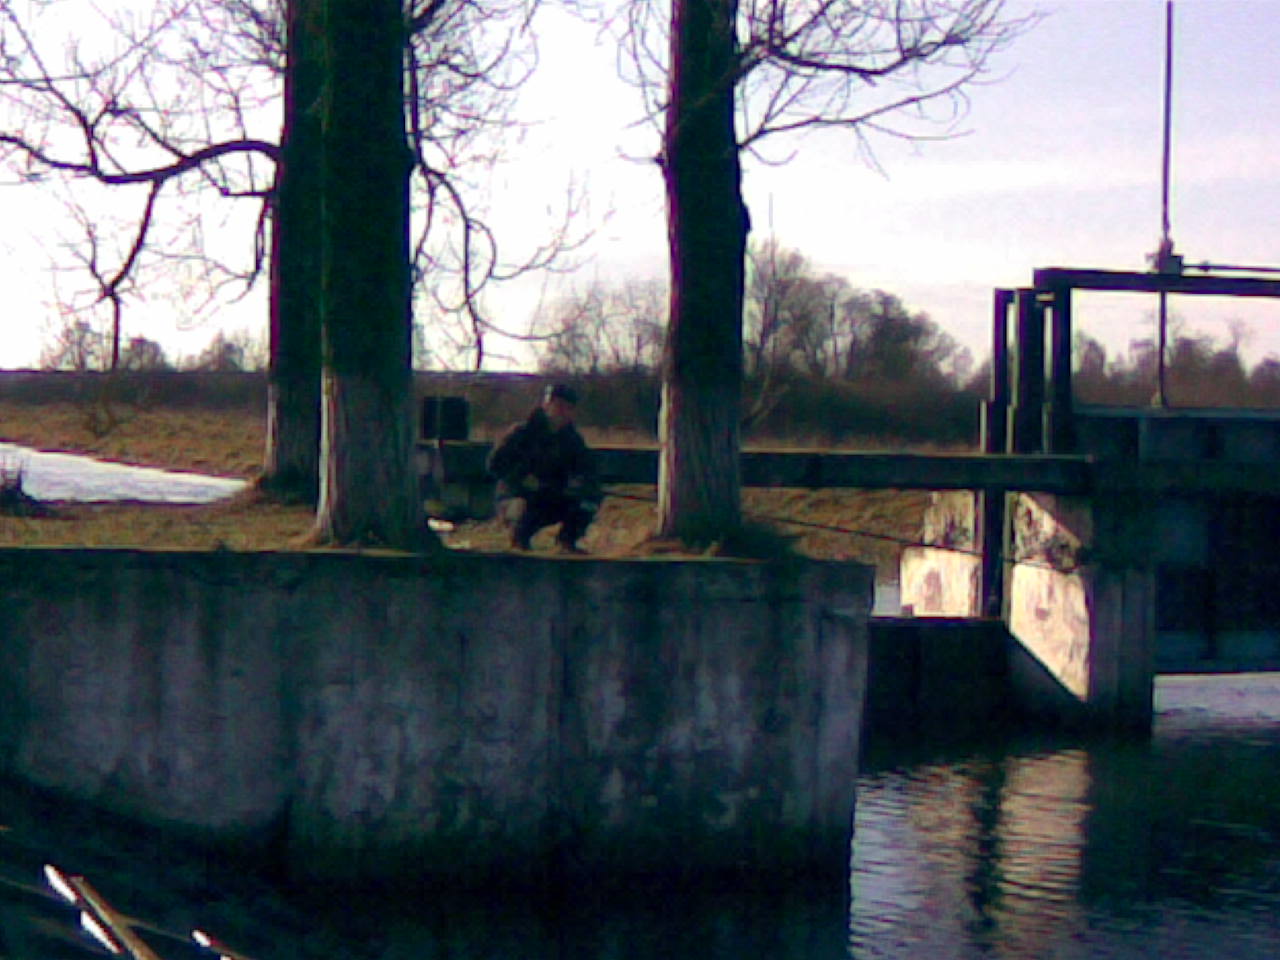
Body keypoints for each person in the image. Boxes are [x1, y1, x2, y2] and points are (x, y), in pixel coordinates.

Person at [487, 383, 600, 553]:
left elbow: (586, 469)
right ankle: (519, 541)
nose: (562, 412)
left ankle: (567, 542)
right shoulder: (521, 433)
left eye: (568, 408)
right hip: (514, 495)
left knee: (588, 501)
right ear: (546, 405)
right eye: (558, 406)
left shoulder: (572, 440)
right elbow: (495, 464)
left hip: (550, 495)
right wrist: (522, 478)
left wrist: (579, 483)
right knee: (522, 507)